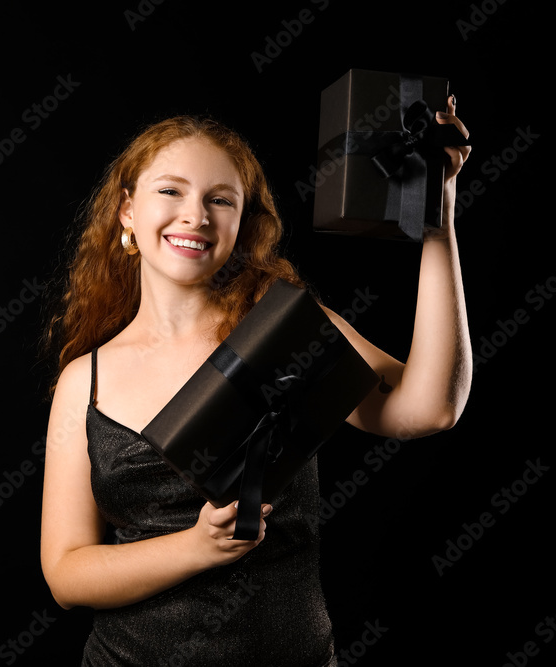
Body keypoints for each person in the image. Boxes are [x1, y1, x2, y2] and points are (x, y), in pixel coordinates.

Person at [40, 105, 471, 665]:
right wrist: (195, 548)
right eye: (170, 191)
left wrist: (438, 221)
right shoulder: (84, 381)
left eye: (220, 199)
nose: (194, 215)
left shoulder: (282, 328)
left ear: (241, 222)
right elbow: (67, 572)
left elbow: (428, 408)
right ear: (127, 210)